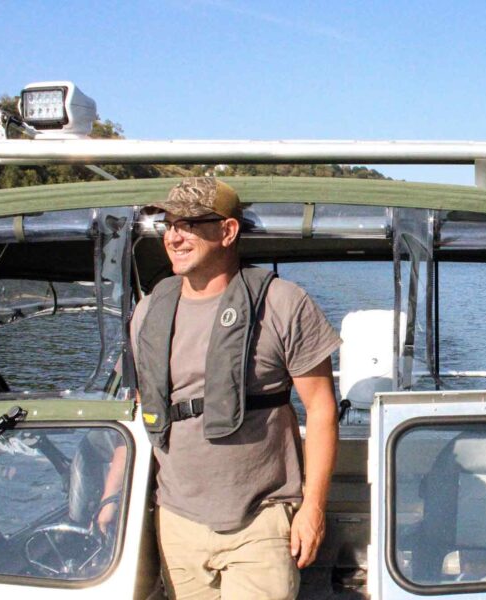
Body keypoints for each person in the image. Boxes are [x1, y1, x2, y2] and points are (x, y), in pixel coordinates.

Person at [130, 177, 340, 599]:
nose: (174, 235)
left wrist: (313, 508)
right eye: (169, 223)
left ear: (227, 232)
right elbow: (139, 407)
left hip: (260, 521)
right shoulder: (149, 310)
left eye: (189, 223)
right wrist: (113, 498)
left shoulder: (284, 304)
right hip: (175, 519)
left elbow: (320, 409)